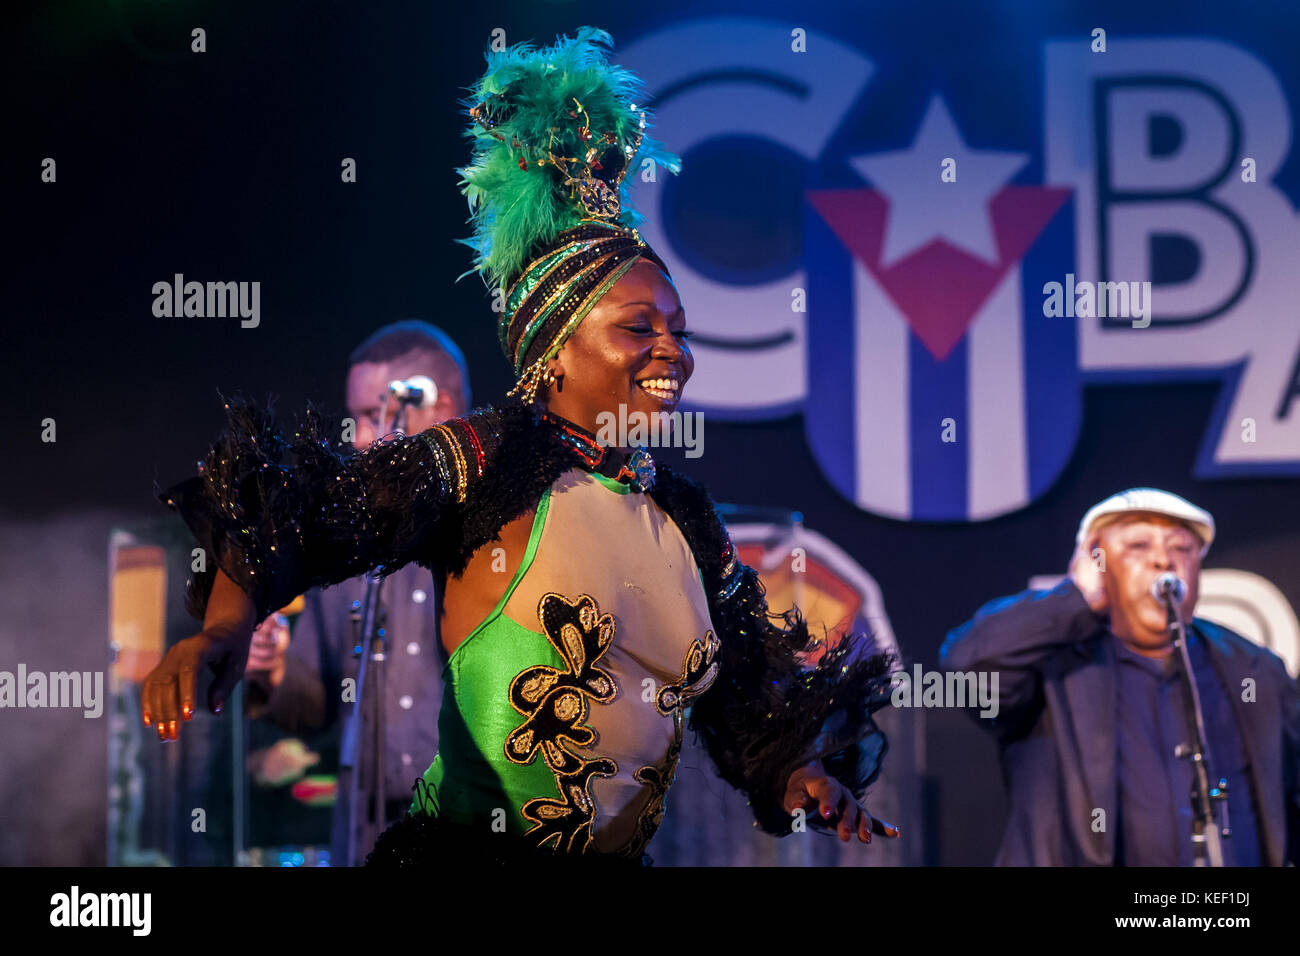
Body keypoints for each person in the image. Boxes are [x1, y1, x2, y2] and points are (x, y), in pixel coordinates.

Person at [143, 26, 899, 864]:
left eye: (680, 330)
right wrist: (217, 635)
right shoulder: (486, 459)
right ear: (553, 348)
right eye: (637, 327)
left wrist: (801, 777)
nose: (672, 350)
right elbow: (307, 514)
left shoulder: (685, 515)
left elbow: (751, 700)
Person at [941, 487, 1300, 866]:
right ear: (1097, 564)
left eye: (1182, 548)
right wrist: (1076, 598)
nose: (1164, 560)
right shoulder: (1052, 666)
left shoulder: (1254, 669)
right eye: (1138, 546)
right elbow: (966, 667)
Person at [242, 320, 471, 864]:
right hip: (366, 832)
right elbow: (316, 701)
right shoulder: (346, 541)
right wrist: (273, 670)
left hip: (473, 832)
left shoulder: (495, 530)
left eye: (376, 415)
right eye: (357, 418)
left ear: (437, 409)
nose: (361, 437)